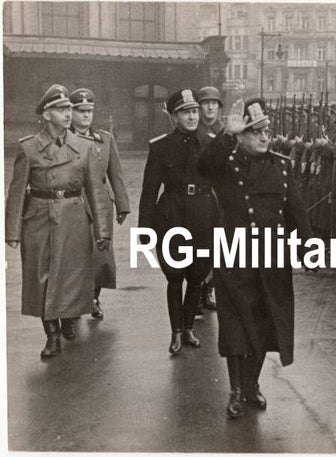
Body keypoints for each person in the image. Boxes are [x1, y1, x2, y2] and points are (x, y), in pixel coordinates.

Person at [199, 98, 312, 419]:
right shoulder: (227, 163)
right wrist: (227, 135)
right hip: (234, 254)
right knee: (236, 325)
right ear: (242, 135)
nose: (264, 137)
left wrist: (308, 247)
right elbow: (204, 166)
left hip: (272, 258)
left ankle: (251, 384)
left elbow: (296, 211)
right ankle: (235, 390)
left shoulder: (282, 166)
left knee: (263, 324)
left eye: (267, 131)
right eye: (256, 132)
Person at [5, 84, 111, 358]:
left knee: (73, 276)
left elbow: (96, 191)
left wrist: (102, 230)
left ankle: (69, 318)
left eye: (68, 109)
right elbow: (16, 193)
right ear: (46, 115)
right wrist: (12, 232)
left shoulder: (85, 147)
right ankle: (51, 336)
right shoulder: (29, 148)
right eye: (61, 109)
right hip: (39, 219)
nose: (67, 114)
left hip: (74, 218)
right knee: (42, 278)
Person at [138, 89, 219, 354]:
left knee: (197, 278)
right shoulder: (160, 147)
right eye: (186, 113)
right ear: (174, 117)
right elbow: (149, 191)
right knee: (174, 278)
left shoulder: (210, 143)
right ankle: (175, 332)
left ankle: (188, 329)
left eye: (195, 111)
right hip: (171, 218)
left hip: (203, 217)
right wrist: (144, 230)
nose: (192, 117)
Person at [69, 88, 130, 319]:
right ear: (71, 113)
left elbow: (116, 174)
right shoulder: (63, 139)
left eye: (89, 111)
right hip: (74, 202)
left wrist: (122, 206)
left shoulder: (105, 139)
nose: (86, 115)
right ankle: (74, 301)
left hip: (101, 205)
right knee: (74, 254)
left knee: (100, 255)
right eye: (81, 111)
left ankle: (94, 298)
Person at [195, 86, 225, 313]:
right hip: (200, 192)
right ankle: (196, 289)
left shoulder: (225, 130)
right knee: (198, 242)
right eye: (206, 103)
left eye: (214, 103)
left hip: (221, 194)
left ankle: (210, 287)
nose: (211, 107)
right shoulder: (194, 130)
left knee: (218, 242)